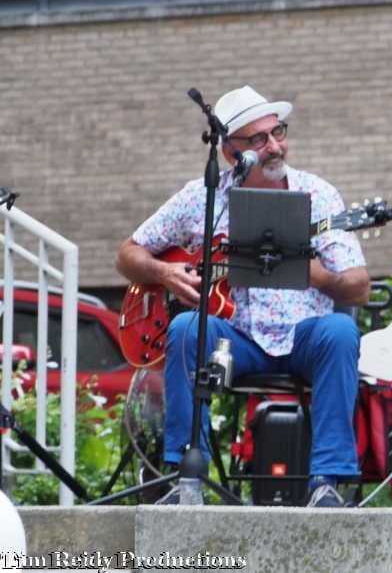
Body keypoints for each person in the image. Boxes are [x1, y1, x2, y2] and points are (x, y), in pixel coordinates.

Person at [116, 85, 370, 507]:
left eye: (278, 133)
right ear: (232, 153)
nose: (275, 146)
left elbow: (359, 286)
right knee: (184, 326)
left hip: (303, 337)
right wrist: (164, 272)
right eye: (259, 139)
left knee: (341, 331)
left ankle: (326, 482)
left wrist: (318, 276)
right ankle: (187, 480)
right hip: (232, 340)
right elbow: (127, 254)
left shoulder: (319, 195)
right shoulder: (201, 197)